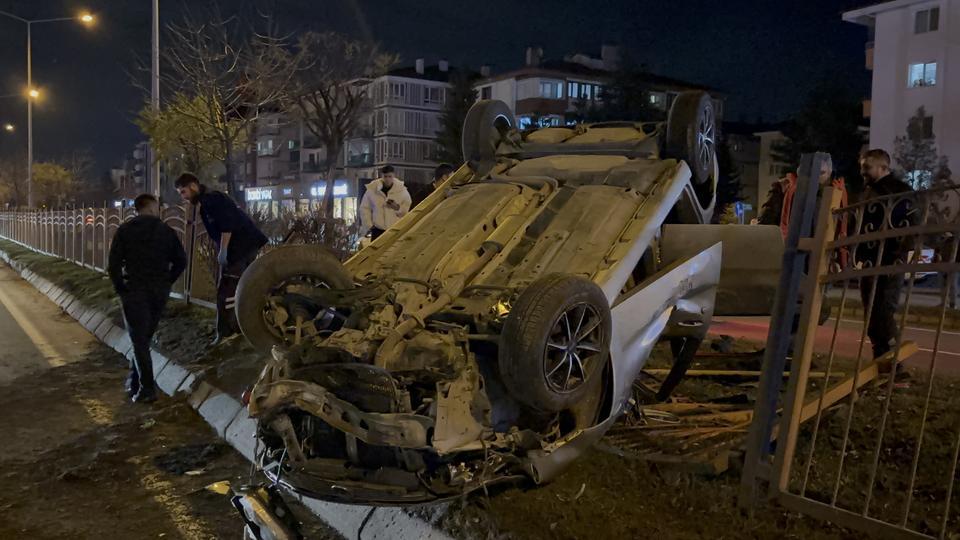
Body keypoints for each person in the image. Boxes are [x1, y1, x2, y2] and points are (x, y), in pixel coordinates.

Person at [107, 194, 186, 403]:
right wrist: (168, 281)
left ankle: (147, 389)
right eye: (157, 207)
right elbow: (181, 260)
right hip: (159, 291)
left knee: (139, 340)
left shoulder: (125, 230)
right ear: (151, 208)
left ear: (137, 209)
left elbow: (113, 264)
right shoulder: (165, 230)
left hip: (135, 290)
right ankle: (135, 382)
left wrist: (120, 287)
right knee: (143, 338)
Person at [175, 173, 268, 344]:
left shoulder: (212, 200)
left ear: (193, 186)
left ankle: (228, 333)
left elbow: (227, 224)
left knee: (227, 291)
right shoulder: (207, 202)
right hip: (245, 245)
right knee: (243, 287)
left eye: (183, 192)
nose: (183, 197)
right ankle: (243, 329)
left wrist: (223, 249)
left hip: (240, 247)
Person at [856, 149, 918, 359]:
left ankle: (894, 363)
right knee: (872, 313)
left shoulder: (899, 191)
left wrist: (902, 255)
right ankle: (881, 359)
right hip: (869, 262)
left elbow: (912, 226)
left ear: (883, 167)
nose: (862, 171)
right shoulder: (868, 191)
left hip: (890, 260)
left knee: (883, 312)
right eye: (862, 166)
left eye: (867, 167)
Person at [359, 165, 412, 240]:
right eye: (385, 176)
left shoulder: (401, 190)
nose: (387, 179)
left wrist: (397, 208)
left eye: (390, 176)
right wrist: (369, 225)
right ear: (382, 176)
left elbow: (407, 207)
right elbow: (364, 208)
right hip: (377, 230)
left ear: (393, 175)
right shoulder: (372, 189)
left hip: (395, 229)